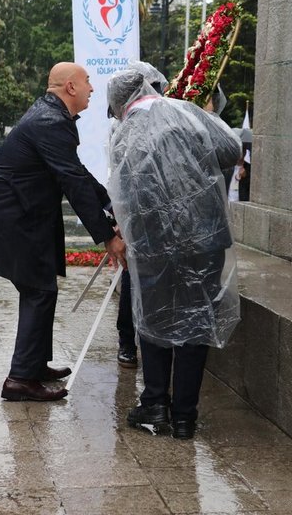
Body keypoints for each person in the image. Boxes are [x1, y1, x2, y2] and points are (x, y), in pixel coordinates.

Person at [0, 62, 127, 402]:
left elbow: (78, 173)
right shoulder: (49, 121)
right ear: (70, 88)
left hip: (19, 215)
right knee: (38, 290)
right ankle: (19, 380)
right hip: (6, 217)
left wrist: (112, 207)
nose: (92, 88)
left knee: (41, 288)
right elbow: (72, 182)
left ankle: (33, 366)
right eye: (87, 81)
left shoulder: (53, 117)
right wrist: (108, 235)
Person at [107, 70, 242, 439]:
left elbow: (124, 193)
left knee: (155, 320)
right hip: (207, 239)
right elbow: (231, 149)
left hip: (155, 246)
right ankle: (185, 417)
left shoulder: (125, 132)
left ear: (120, 103)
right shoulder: (188, 112)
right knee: (196, 321)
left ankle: (155, 405)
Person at [110, 60, 169, 369]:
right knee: (133, 281)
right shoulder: (122, 125)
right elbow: (121, 176)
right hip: (138, 218)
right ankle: (126, 341)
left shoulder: (168, 119)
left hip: (167, 222)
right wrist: (121, 218)